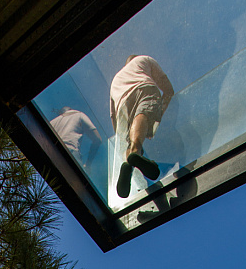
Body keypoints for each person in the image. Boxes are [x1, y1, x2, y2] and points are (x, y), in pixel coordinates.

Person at [110, 54, 174, 197]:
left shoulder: (115, 79)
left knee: (131, 142)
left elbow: (114, 117)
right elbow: (168, 89)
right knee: (143, 114)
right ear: (135, 58)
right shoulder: (143, 59)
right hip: (144, 88)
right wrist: (157, 114)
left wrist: (124, 135)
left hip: (122, 105)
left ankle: (128, 163)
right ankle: (135, 151)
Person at [50, 106, 102, 171]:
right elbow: (97, 139)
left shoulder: (51, 122)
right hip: (71, 154)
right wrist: (88, 164)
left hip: (51, 154)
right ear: (71, 110)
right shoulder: (79, 115)